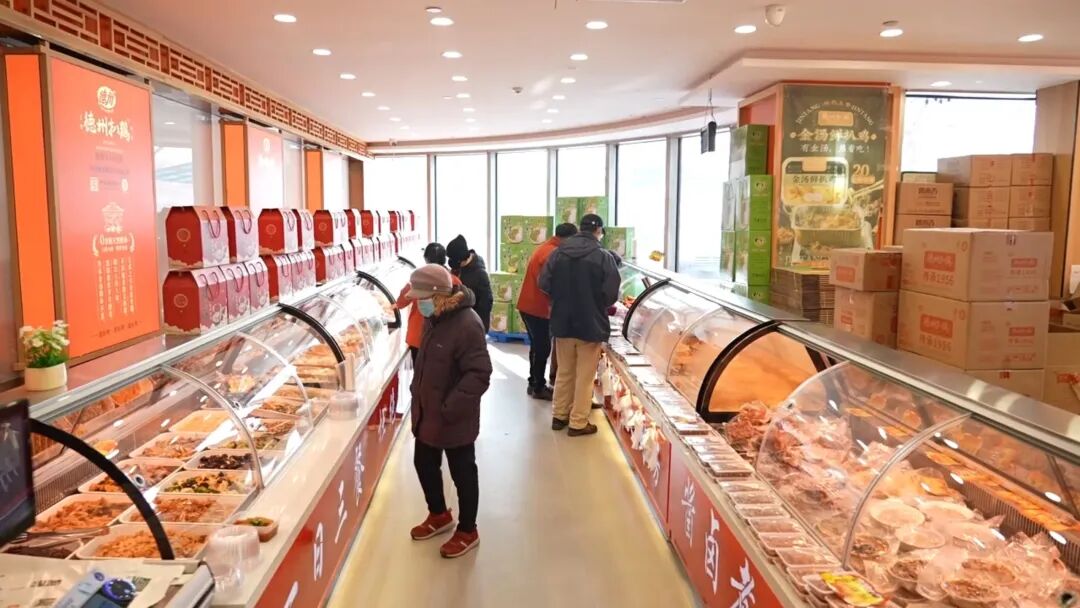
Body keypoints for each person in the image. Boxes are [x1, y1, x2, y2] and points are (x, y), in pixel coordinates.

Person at [406, 264, 492, 558]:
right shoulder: (434, 318)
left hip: (453, 416)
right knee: (423, 463)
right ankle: (439, 514)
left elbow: (479, 373)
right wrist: (417, 392)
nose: (418, 303)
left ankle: (468, 530)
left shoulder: (467, 324)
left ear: (438, 295)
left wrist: (450, 407)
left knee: (463, 472)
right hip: (427, 411)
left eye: (421, 298)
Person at [539, 214, 620, 437]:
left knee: (564, 371)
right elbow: (611, 293)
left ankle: (559, 415)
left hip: (562, 321)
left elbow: (543, 283)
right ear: (598, 231)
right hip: (590, 323)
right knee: (585, 376)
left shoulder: (557, 254)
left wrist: (560, 299)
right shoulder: (603, 257)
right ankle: (578, 422)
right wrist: (596, 303)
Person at [516, 222, 578, 400]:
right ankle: (538, 387)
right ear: (568, 239)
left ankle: (533, 382)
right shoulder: (553, 253)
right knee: (542, 347)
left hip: (529, 305)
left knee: (537, 346)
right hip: (538, 307)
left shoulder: (546, 248)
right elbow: (548, 284)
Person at [395, 243, 460, 364]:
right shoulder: (454, 281)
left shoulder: (418, 280)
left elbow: (400, 303)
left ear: (425, 259)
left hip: (418, 336)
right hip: (444, 338)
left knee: (420, 372)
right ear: (444, 259)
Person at [446, 235, 493, 332]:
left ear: (462, 259)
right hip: (459, 321)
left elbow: (486, 303)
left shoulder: (480, 275)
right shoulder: (459, 269)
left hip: (472, 324)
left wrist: (479, 326)